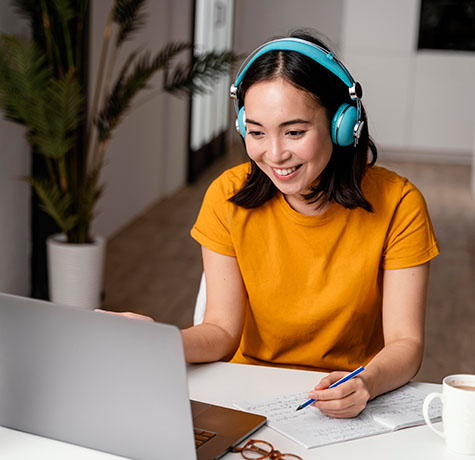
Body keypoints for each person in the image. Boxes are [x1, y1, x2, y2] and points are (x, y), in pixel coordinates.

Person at [105, 30, 439, 419]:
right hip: (247, 393)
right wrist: (157, 341)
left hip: (350, 394)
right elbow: (220, 331)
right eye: (258, 132)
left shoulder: (400, 204)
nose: (275, 154)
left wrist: (364, 382)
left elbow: (405, 342)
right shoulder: (226, 197)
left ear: (342, 124)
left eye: (295, 132)